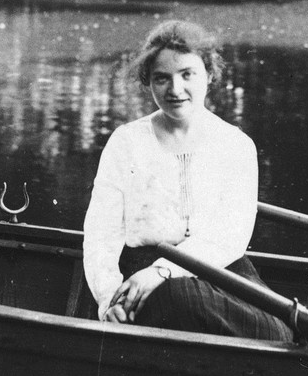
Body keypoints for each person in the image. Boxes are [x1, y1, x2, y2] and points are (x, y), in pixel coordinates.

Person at [81, 19, 290, 341]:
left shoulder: (235, 144)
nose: (175, 90)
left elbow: (230, 237)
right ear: (148, 82)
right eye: (162, 78)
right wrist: (109, 298)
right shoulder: (127, 142)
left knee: (278, 333)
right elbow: (102, 234)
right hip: (141, 273)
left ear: (209, 74)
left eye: (187, 75)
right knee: (173, 298)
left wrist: (163, 272)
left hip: (221, 269)